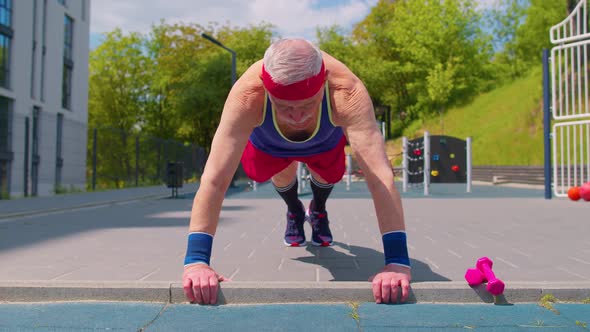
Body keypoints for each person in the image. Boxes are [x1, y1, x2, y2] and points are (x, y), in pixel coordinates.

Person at [182, 38, 411, 305]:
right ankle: (294, 210)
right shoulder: (248, 94)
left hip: (323, 141)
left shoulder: (345, 92)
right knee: (280, 171)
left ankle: (318, 210)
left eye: (307, 105)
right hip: (270, 143)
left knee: (330, 175)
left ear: (323, 83)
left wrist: (397, 262)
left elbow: (380, 177)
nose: (297, 117)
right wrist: (196, 262)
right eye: (285, 107)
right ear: (267, 91)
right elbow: (215, 179)